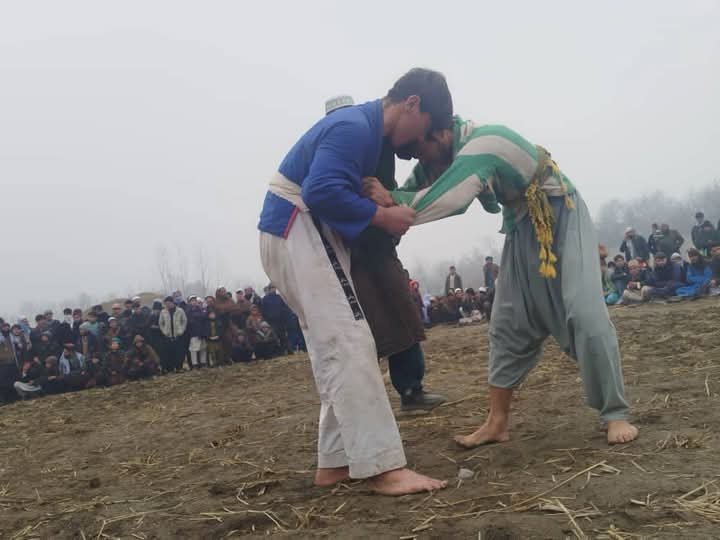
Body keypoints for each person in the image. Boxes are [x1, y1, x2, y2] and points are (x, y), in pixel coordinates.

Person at [364, 115, 638, 445]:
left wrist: (391, 200)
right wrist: (383, 200)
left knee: (585, 312)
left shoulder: (486, 142)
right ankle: (497, 422)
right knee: (506, 323)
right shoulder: (440, 154)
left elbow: (450, 197)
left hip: (560, 213)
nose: (418, 159)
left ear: (440, 133)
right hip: (521, 226)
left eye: (418, 149)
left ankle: (615, 413)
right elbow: (413, 189)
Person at [258, 68, 453, 494]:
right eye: (424, 127)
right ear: (412, 104)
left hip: (293, 232)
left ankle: (337, 461)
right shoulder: (353, 127)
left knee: (335, 343)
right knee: (350, 341)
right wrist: (382, 216)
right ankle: (384, 468)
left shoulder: (361, 129)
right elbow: (321, 191)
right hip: (299, 227)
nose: (417, 143)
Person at [261, 284, 292, 355]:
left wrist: (285, 317)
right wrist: (267, 320)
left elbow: (285, 308)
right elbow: (263, 311)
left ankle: (287, 350)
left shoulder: (279, 297)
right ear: (269, 289)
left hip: (281, 320)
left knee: (283, 336)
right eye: (272, 288)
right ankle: (280, 351)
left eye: (274, 288)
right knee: (276, 336)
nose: (273, 289)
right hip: (272, 321)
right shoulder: (265, 299)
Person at [159, 296, 188, 372]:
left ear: (172, 303)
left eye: (169, 303)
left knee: (179, 352)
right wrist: (164, 331)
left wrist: (181, 330)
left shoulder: (180, 310)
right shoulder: (163, 312)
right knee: (169, 352)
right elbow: (161, 323)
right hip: (168, 335)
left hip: (178, 335)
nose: (167, 305)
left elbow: (184, 321)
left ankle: (179, 367)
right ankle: (170, 368)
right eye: (166, 304)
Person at [186, 296, 209, 368]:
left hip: (202, 332)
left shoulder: (200, 309)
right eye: (192, 300)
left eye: (195, 300)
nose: (194, 302)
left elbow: (204, 317)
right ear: (189, 302)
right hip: (194, 333)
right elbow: (190, 321)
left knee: (203, 348)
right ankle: (194, 364)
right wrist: (199, 317)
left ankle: (203, 363)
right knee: (194, 349)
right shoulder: (188, 310)